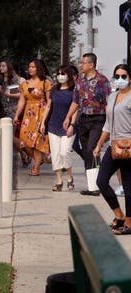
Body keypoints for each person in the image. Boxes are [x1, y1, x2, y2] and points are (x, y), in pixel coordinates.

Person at [63, 53, 111, 196]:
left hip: (98, 119)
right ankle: (93, 187)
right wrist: (68, 118)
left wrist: (109, 123)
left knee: (92, 149)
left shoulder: (103, 81)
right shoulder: (79, 80)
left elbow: (108, 103)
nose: (80, 65)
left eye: (83, 63)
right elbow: (75, 101)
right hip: (83, 119)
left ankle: (98, 184)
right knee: (86, 152)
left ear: (91, 65)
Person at [92, 64, 131, 234]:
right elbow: (108, 124)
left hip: (129, 146)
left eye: (124, 76)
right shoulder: (112, 96)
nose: (120, 79)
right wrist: (99, 144)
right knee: (101, 181)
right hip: (114, 145)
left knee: (129, 187)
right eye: (117, 76)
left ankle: (129, 224)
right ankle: (119, 215)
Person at [13, 59, 52, 176]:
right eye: (29, 66)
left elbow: (50, 101)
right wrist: (16, 115)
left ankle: (36, 168)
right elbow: (21, 101)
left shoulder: (46, 83)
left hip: (41, 113)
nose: (30, 69)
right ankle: (41, 159)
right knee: (23, 141)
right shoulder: (24, 84)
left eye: (33, 67)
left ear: (38, 68)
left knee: (38, 141)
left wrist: (46, 117)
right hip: (28, 114)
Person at [45, 65, 78, 191]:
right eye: (58, 73)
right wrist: (43, 122)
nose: (60, 76)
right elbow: (48, 107)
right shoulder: (54, 89)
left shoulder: (74, 90)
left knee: (65, 152)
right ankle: (59, 181)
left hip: (68, 126)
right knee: (56, 154)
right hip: (53, 125)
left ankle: (69, 177)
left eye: (63, 74)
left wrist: (72, 124)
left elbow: (76, 109)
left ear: (68, 75)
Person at [0, 60, 29, 167]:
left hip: (16, 110)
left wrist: (10, 95)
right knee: (9, 136)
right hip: (5, 110)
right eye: (0, 66)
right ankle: (23, 154)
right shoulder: (2, 80)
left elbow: (24, 95)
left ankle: (26, 152)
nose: (1, 68)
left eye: (3, 66)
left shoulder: (19, 80)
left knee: (10, 135)